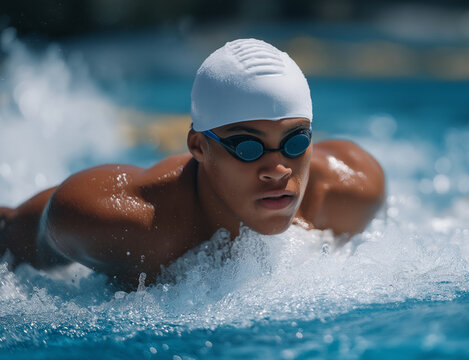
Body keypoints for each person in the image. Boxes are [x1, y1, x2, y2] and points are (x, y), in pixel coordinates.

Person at [0, 39, 386, 288]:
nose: (279, 170)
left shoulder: (350, 190)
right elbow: (18, 238)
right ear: (198, 146)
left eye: (295, 142)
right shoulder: (119, 222)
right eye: (248, 147)